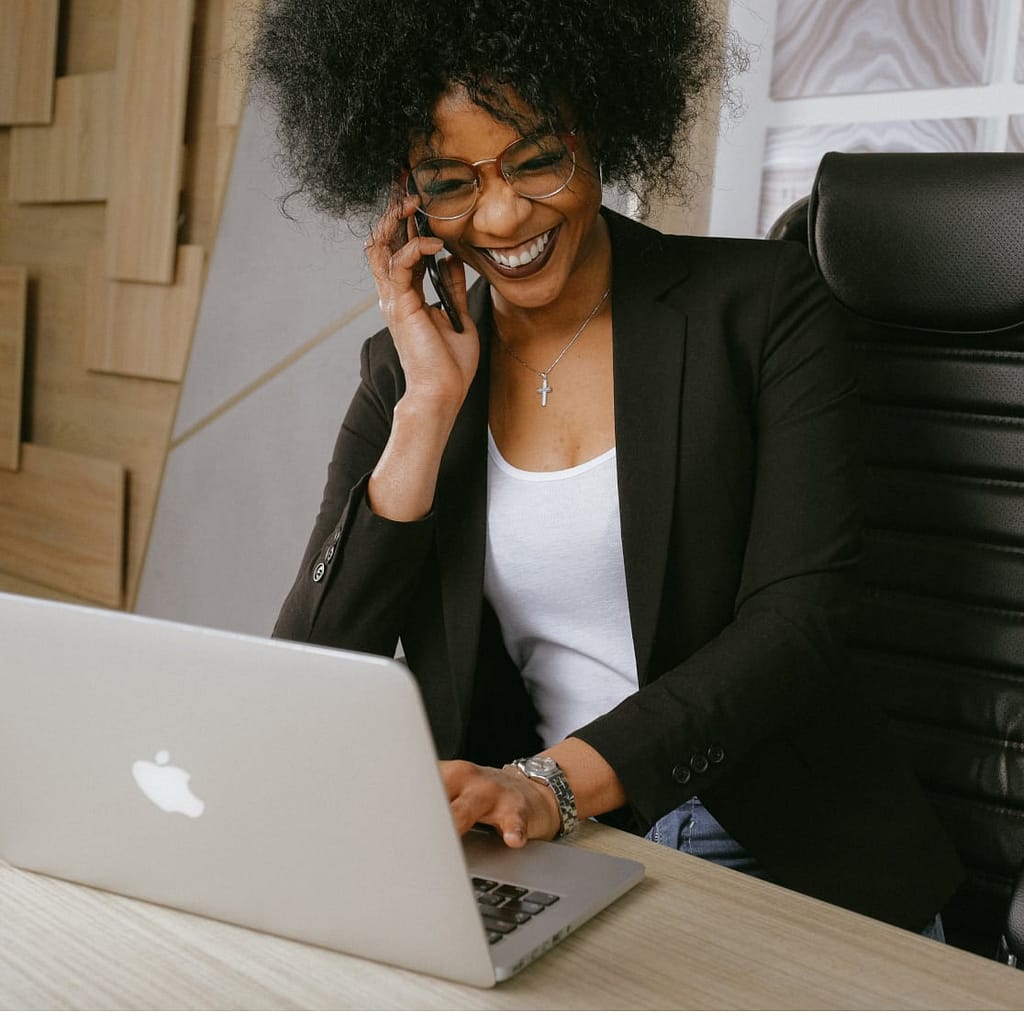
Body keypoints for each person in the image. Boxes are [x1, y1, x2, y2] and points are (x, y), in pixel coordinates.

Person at [251, 0, 963, 934]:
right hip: (542, 853)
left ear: (601, 130)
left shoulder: (760, 310)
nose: (502, 215)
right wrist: (426, 410)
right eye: (451, 181)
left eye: (538, 159)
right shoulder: (409, 367)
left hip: (778, 844)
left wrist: (552, 785)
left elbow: (798, 622)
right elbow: (313, 669)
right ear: (405, 191)